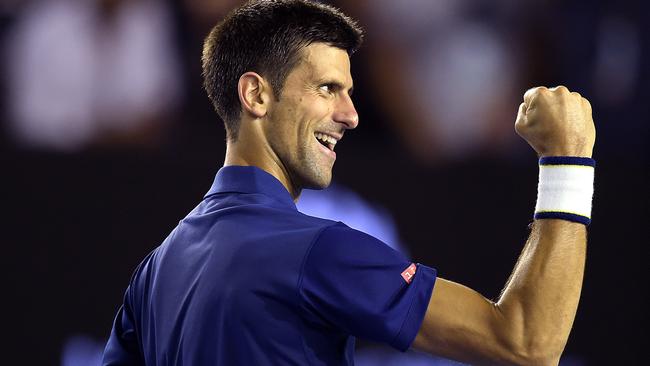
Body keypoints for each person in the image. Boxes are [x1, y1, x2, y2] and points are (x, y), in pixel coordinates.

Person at [102, 1, 596, 365]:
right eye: (327, 89)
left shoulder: (156, 271)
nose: (352, 115)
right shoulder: (312, 252)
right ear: (255, 94)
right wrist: (566, 159)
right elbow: (528, 342)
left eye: (350, 92)